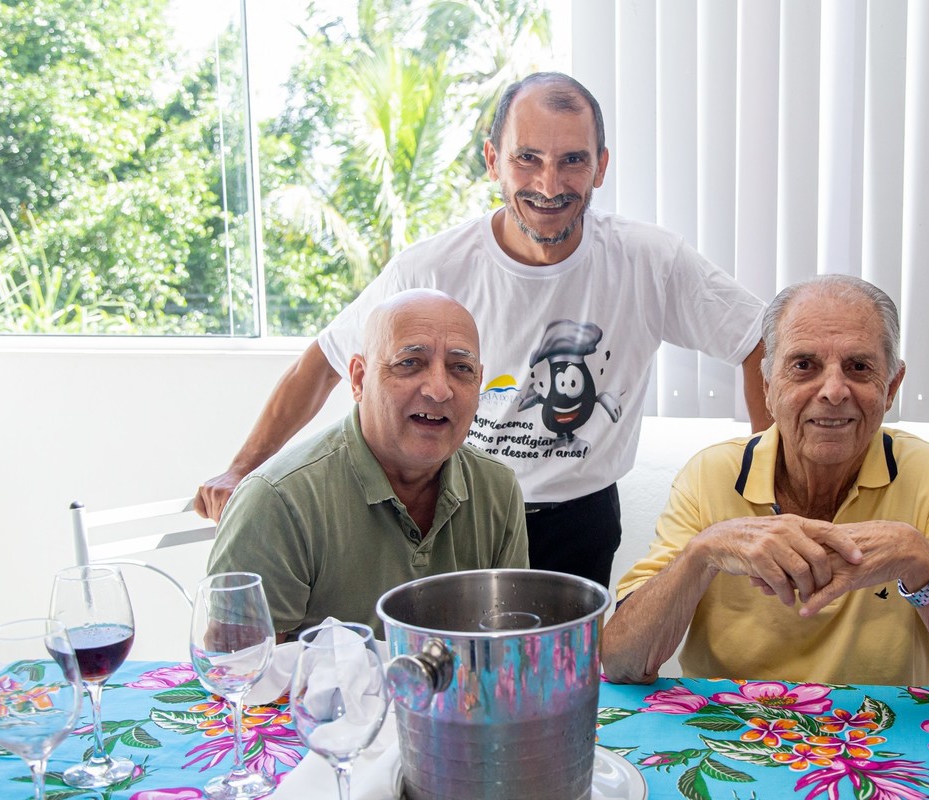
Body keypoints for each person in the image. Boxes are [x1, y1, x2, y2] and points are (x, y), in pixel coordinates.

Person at [195, 71, 770, 588]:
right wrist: (243, 468)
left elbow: (758, 338)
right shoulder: (431, 267)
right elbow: (324, 362)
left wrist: (765, 483)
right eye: (528, 158)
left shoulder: (650, 260)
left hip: (579, 518)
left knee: (560, 672)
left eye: (572, 160)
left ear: (601, 165)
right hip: (457, 510)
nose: (549, 184)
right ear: (493, 161)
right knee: (447, 663)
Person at [601, 275, 929, 709]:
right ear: (768, 386)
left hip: (882, 734)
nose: (833, 391)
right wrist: (702, 553)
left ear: (891, 387)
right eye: (804, 365)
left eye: (859, 367)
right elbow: (621, 661)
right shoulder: (710, 474)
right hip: (732, 727)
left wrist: (922, 563)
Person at [206, 289, 528, 640]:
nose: (439, 390)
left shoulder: (496, 488)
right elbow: (237, 665)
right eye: (410, 363)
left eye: (461, 368)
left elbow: (509, 646)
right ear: (359, 379)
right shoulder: (278, 501)